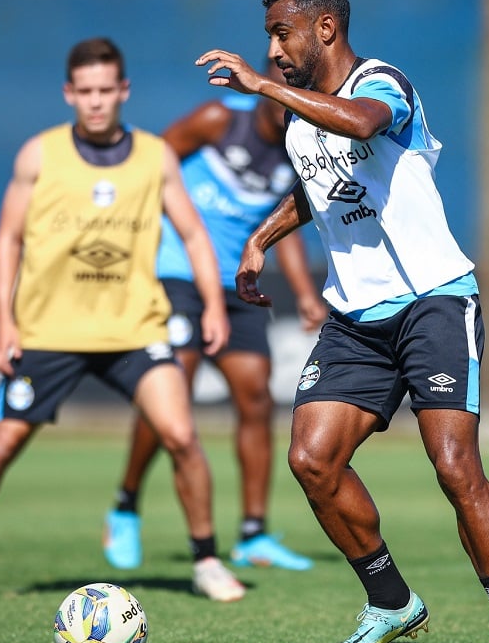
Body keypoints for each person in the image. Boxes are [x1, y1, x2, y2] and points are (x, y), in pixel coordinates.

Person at [195, 0, 489, 643]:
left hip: (434, 299)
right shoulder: (301, 109)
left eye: (282, 32)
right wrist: (262, 239)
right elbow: (314, 185)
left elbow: (359, 125)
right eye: (268, 37)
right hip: (355, 316)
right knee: (312, 459)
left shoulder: (382, 83)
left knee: (454, 466)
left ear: (325, 27)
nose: (272, 50)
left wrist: (264, 89)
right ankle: (390, 601)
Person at [0, 37, 245, 603]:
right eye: (85, 91)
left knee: (182, 435)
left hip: (136, 329)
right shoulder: (38, 155)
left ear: (124, 91)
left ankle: (206, 560)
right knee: (0, 445)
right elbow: (8, 240)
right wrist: (6, 323)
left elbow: (193, 233)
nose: (96, 102)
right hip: (50, 333)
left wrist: (214, 304)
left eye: (106, 90)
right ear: (70, 93)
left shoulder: (155, 156)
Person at [103, 63, 328, 572]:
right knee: (170, 395)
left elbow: (281, 225)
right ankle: (126, 505)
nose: (284, 95)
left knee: (254, 397)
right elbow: (150, 166)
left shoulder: (301, 145)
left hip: (237, 285)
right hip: (178, 273)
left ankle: (253, 533)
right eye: (276, 84)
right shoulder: (217, 119)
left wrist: (304, 292)